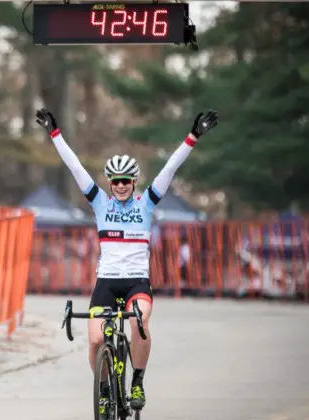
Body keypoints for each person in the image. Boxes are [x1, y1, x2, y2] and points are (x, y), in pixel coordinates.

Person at [35, 108, 218, 416]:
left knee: (139, 321)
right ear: (110, 183)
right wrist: (55, 134)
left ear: (134, 182)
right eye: (116, 181)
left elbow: (171, 168)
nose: (120, 186)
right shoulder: (100, 203)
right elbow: (75, 167)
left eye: (125, 181)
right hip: (106, 281)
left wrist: (193, 136)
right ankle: (105, 387)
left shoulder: (147, 202)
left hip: (136, 281)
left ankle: (137, 382)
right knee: (94, 341)